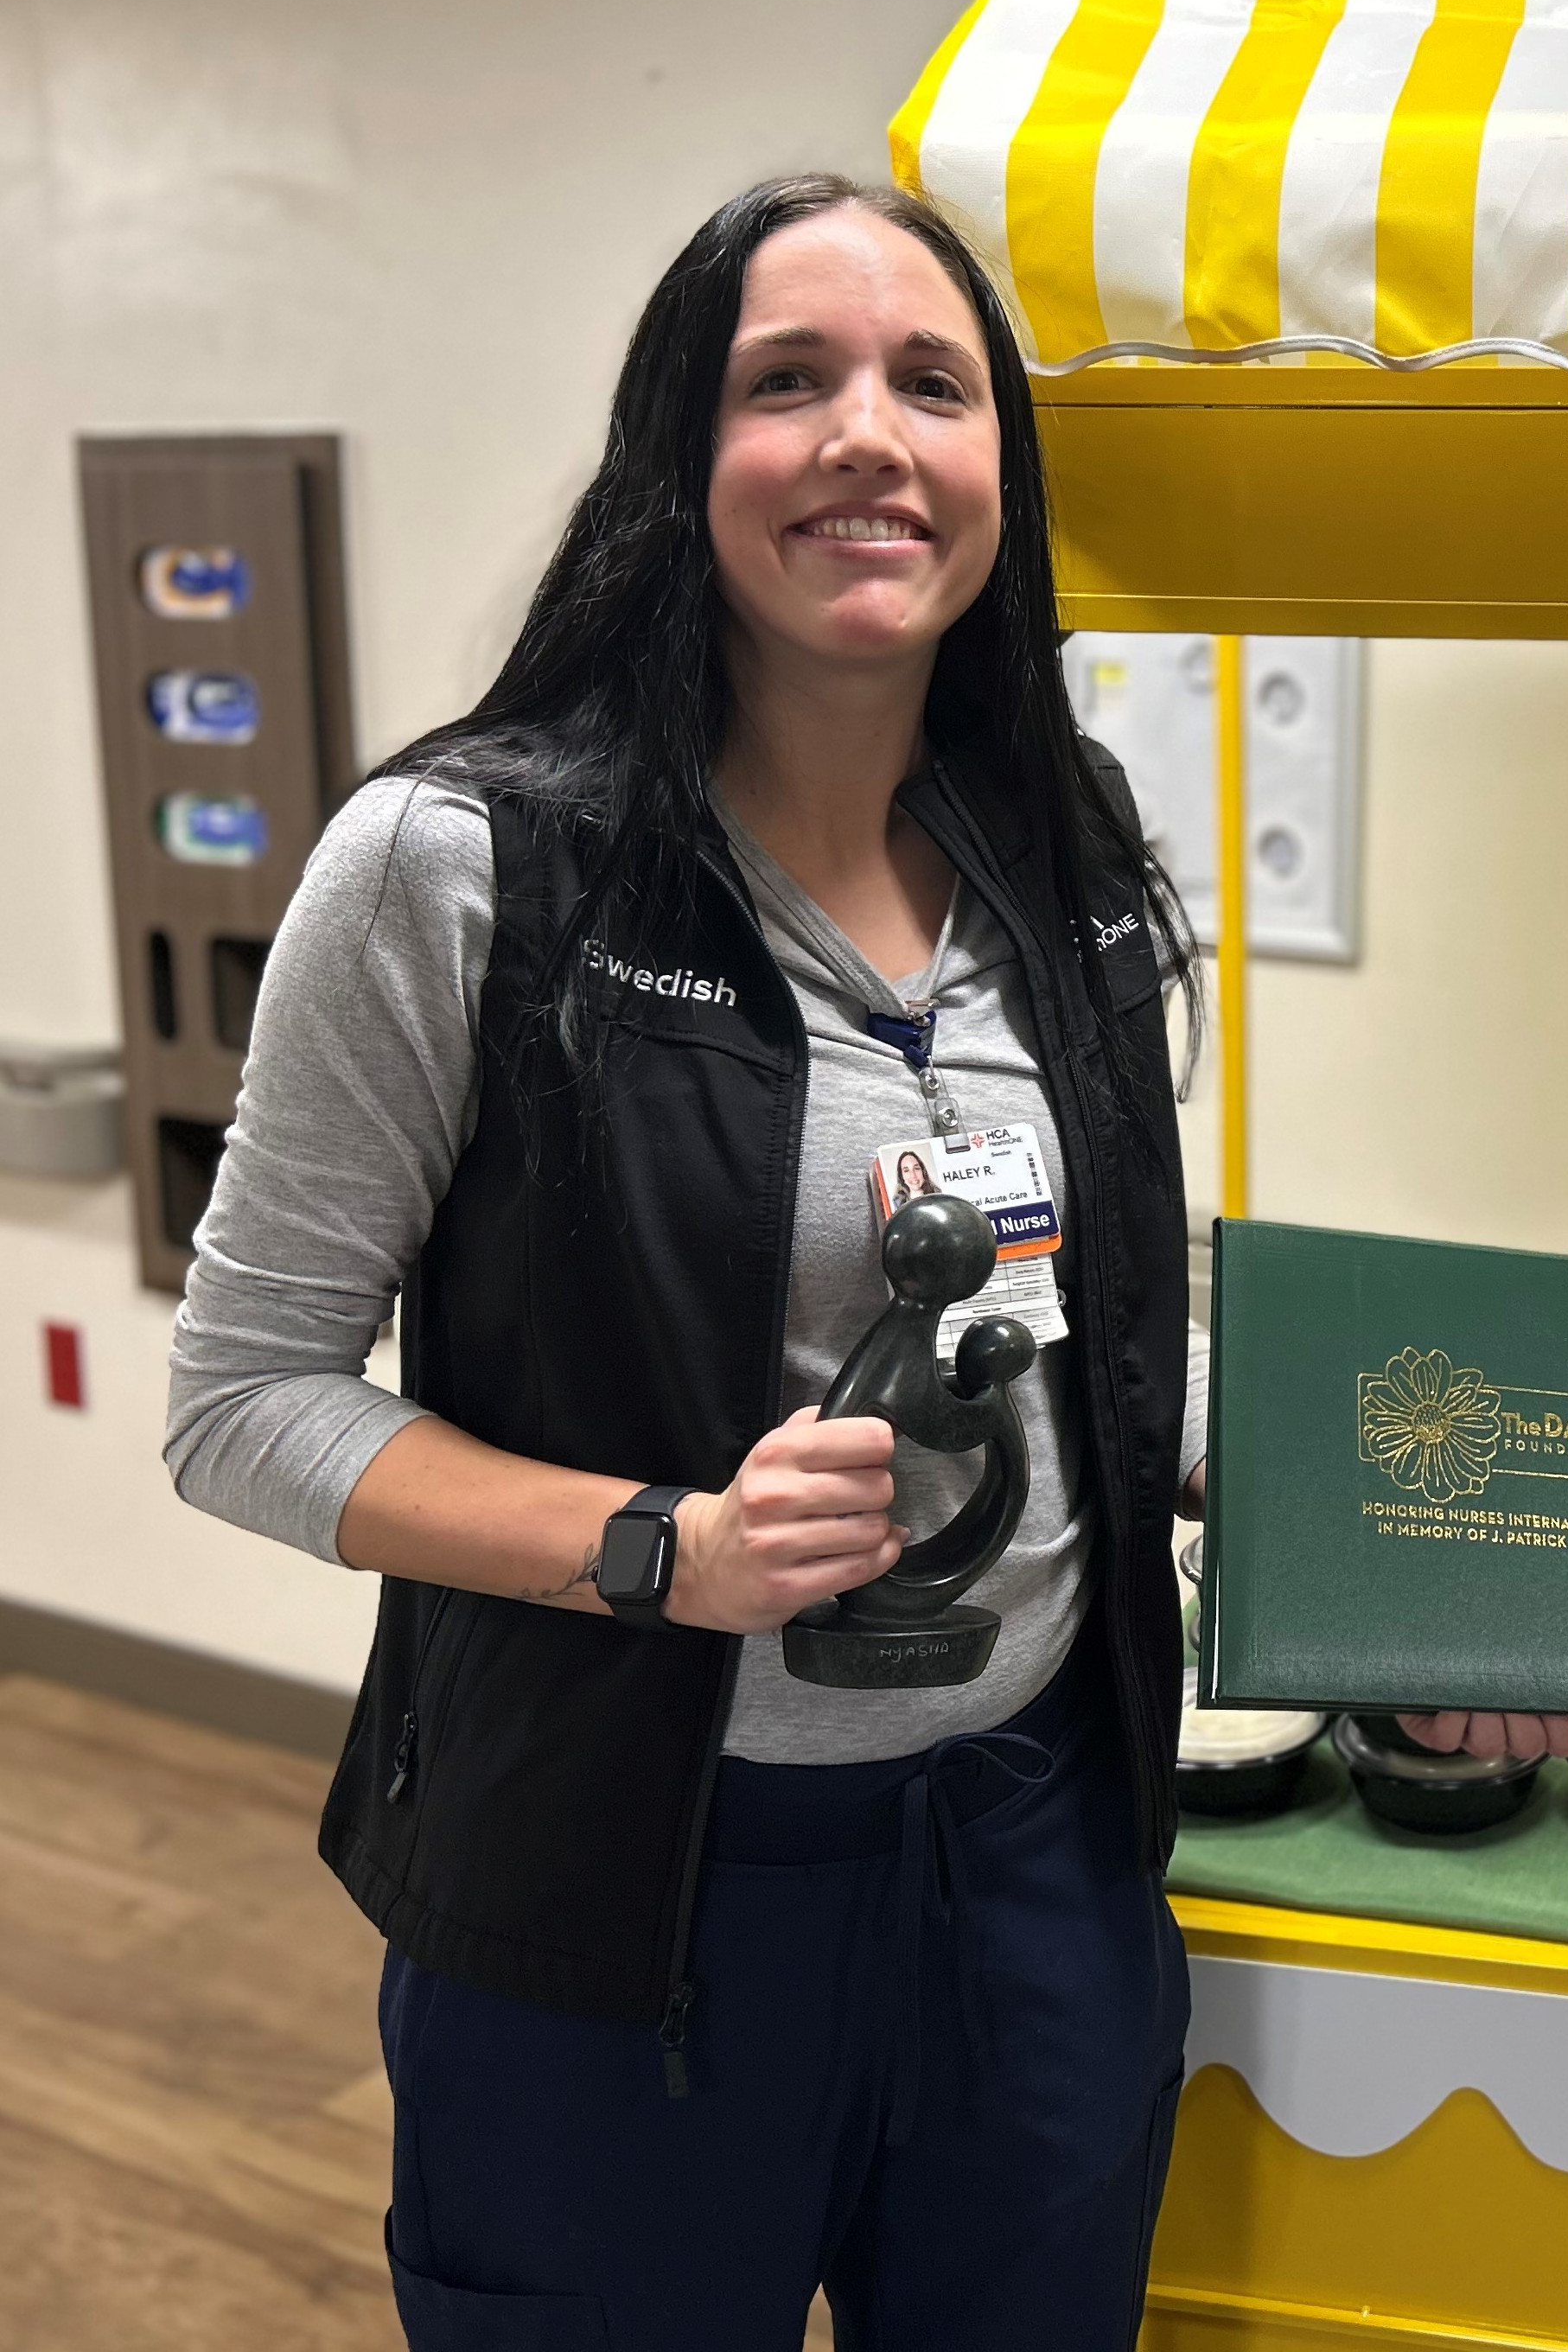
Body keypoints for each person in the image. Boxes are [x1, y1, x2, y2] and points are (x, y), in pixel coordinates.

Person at [165, 173, 1212, 2350]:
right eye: (784, 380)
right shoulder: (462, 871)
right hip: (624, 1899)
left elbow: (1105, 1334)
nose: (867, 433)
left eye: (932, 381)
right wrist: (664, 1545)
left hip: (1034, 1867)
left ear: (996, 467)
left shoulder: (1070, 841)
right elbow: (245, 1400)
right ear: (677, 456)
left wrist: (1409, 1546)